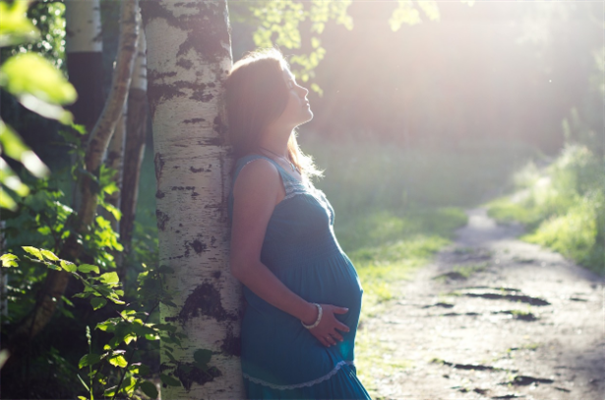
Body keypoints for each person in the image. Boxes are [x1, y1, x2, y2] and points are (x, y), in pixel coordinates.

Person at [226, 48, 371, 400]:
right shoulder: (259, 171)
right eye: (291, 85)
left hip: (316, 338)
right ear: (266, 100)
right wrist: (310, 315)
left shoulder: (284, 164)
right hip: (292, 336)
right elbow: (244, 263)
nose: (303, 90)